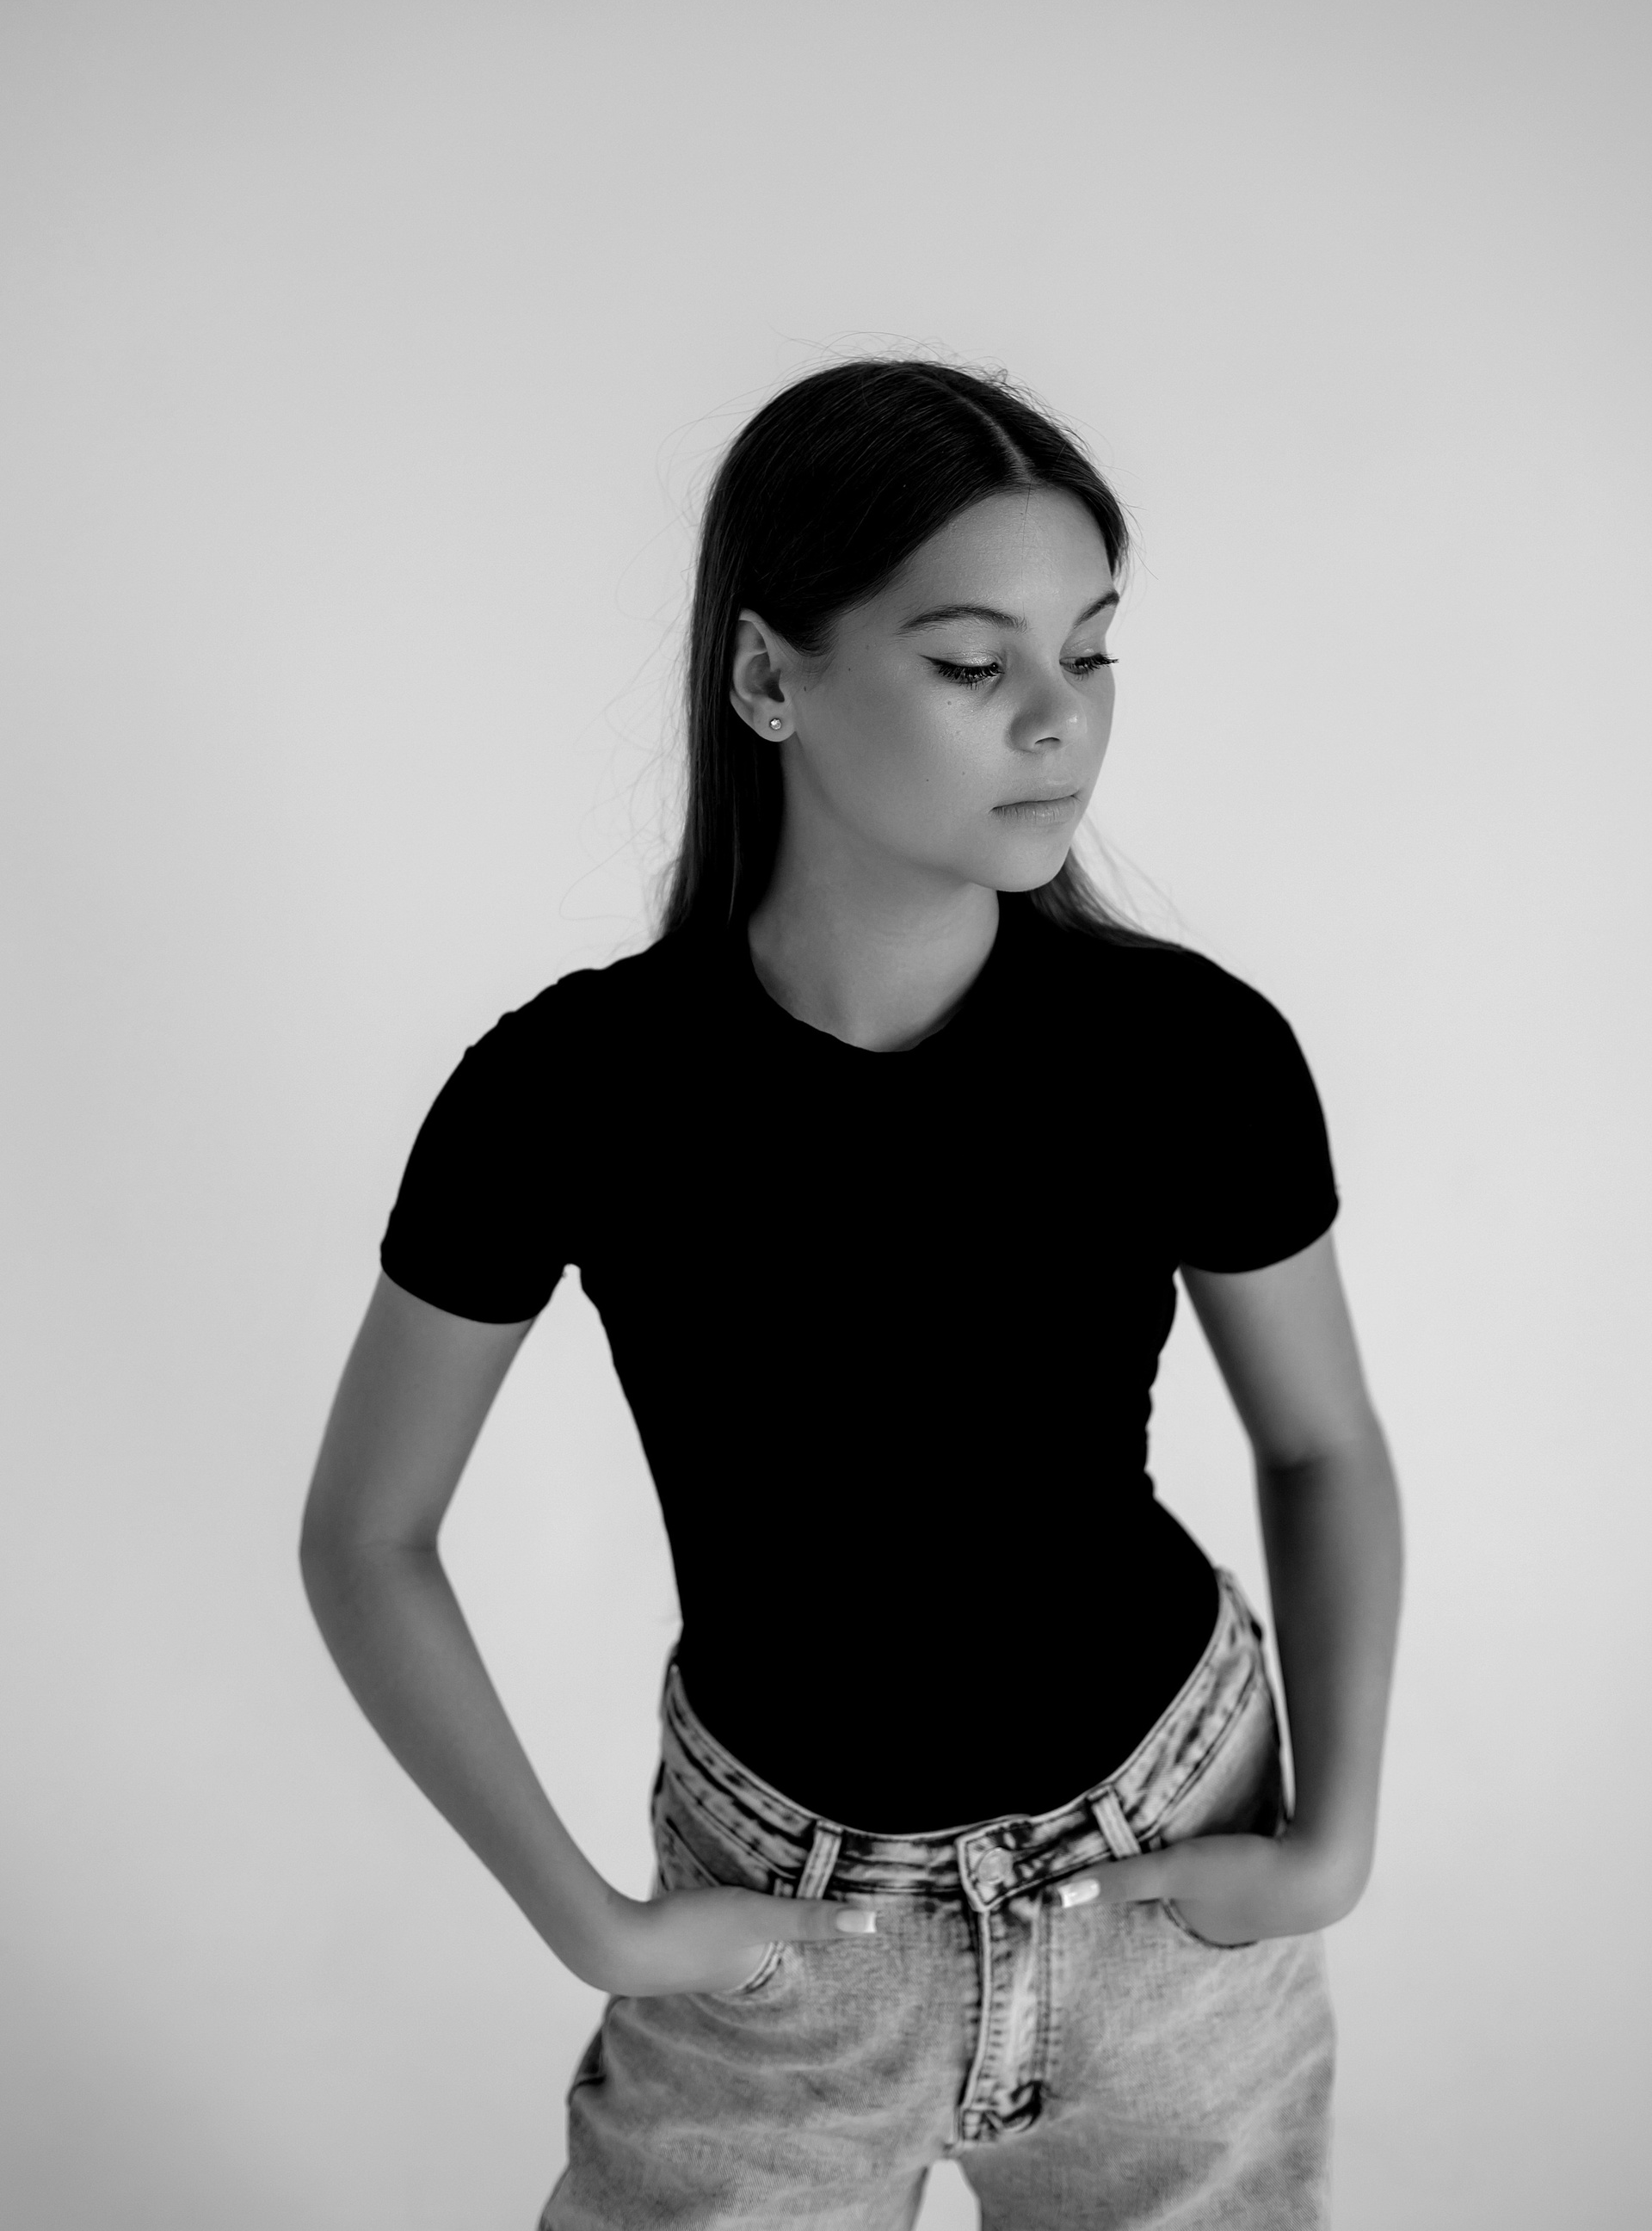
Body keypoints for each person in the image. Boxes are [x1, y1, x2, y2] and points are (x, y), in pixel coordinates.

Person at [300, 359, 1402, 2230]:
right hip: (781, 1951)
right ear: (767, 677)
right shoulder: (568, 1090)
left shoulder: (1190, 1051)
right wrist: (593, 1922)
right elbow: (366, 1536)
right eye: (974, 664)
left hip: (1168, 1881)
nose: (1059, 719)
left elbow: (1322, 1443)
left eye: (1094, 652)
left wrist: (1333, 1845)